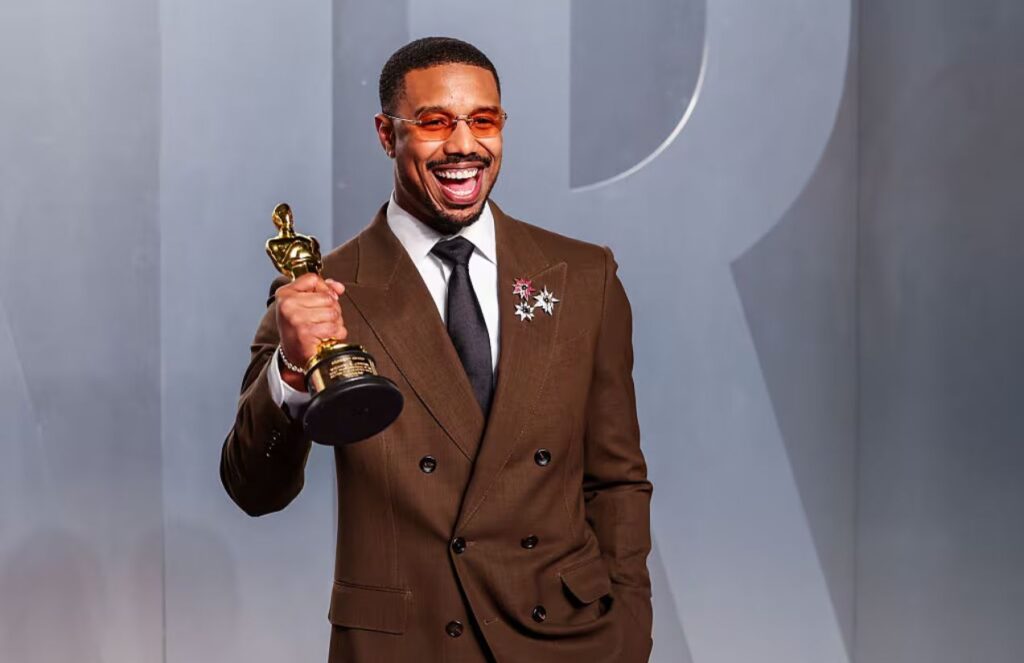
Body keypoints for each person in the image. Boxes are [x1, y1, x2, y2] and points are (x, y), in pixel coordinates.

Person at [221, 36, 653, 663]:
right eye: (433, 122)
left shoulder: (583, 276)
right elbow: (252, 488)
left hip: (566, 639)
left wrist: (628, 633)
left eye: (483, 121)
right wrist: (289, 369)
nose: (463, 145)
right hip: (409, 643)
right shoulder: (320, 292)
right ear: (384, 133)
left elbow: (616, 480)